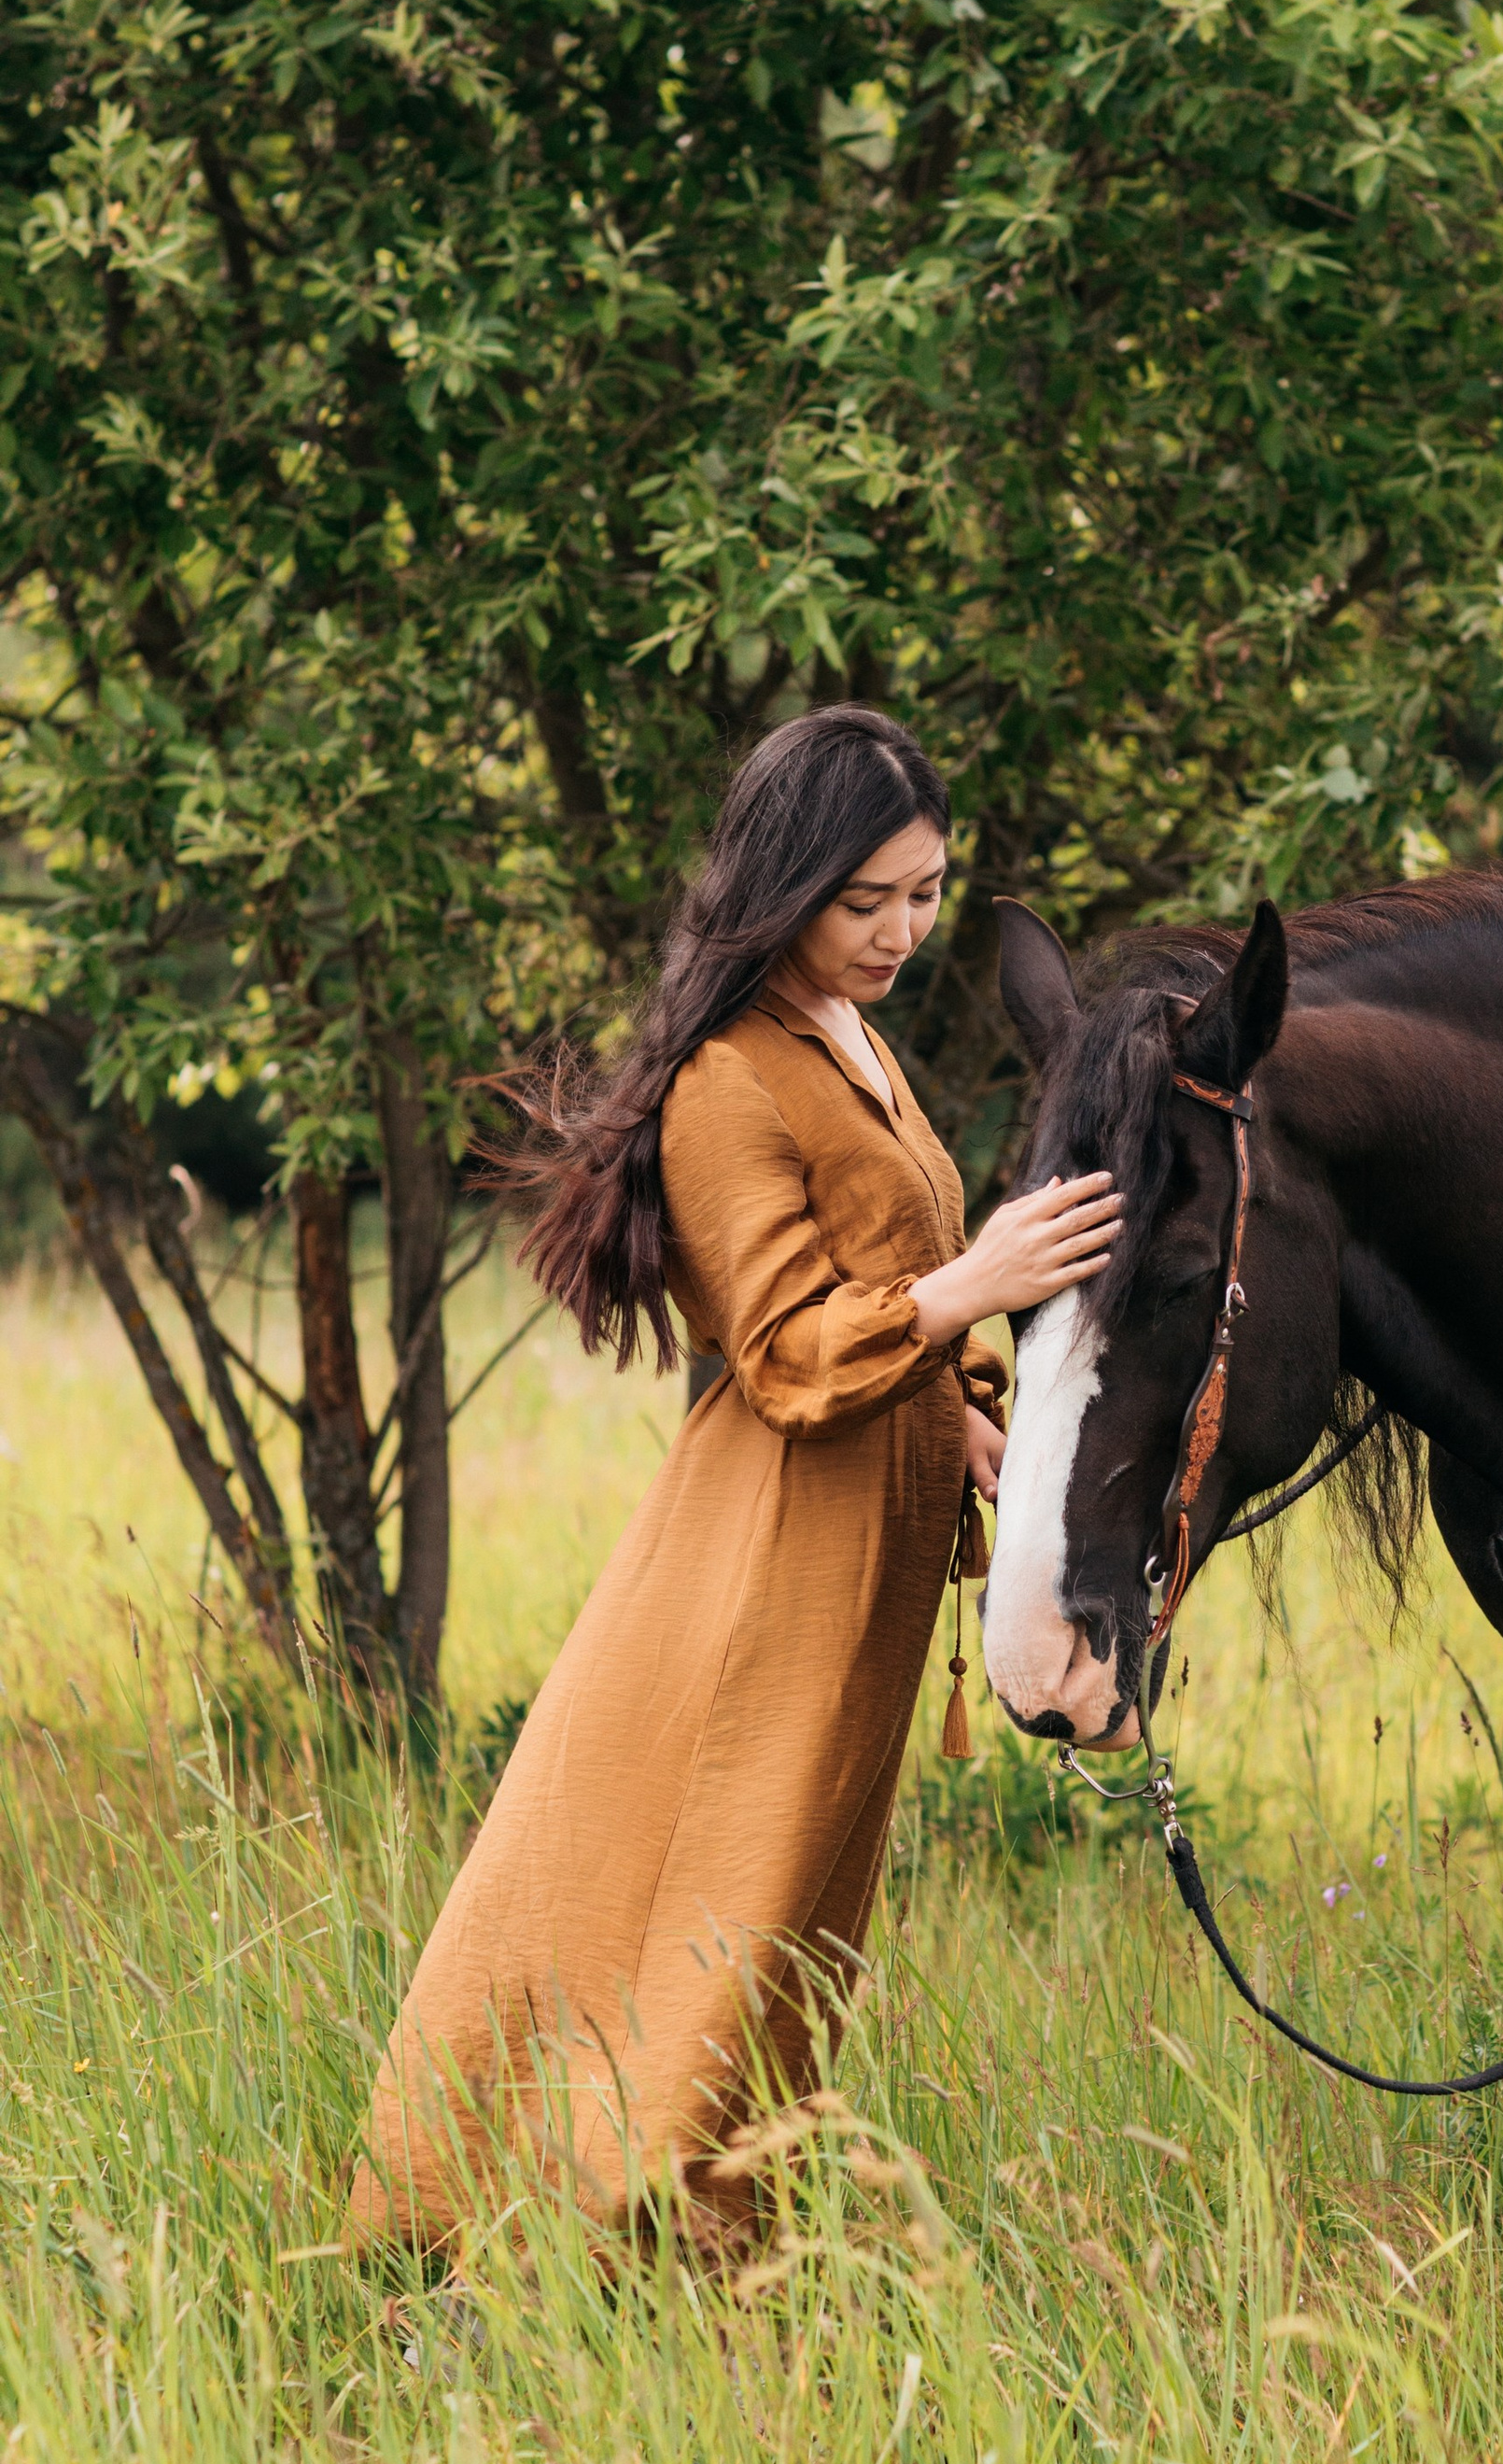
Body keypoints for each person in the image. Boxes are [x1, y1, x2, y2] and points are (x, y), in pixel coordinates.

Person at [349, 705, 1118, 2252]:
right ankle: (553, 2235)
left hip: (874, 1540)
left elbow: (883, 1292)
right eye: (867, 901)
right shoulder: (726, 1079)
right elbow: (781, 1350)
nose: (904, 930)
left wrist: (969, 1413)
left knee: (800, 1910)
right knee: (715, 1882)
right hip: (771, 1547)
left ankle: (718, 2238)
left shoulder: (856, 1040)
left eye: (928, 891)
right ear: (786, 884)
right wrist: (978, 1287)